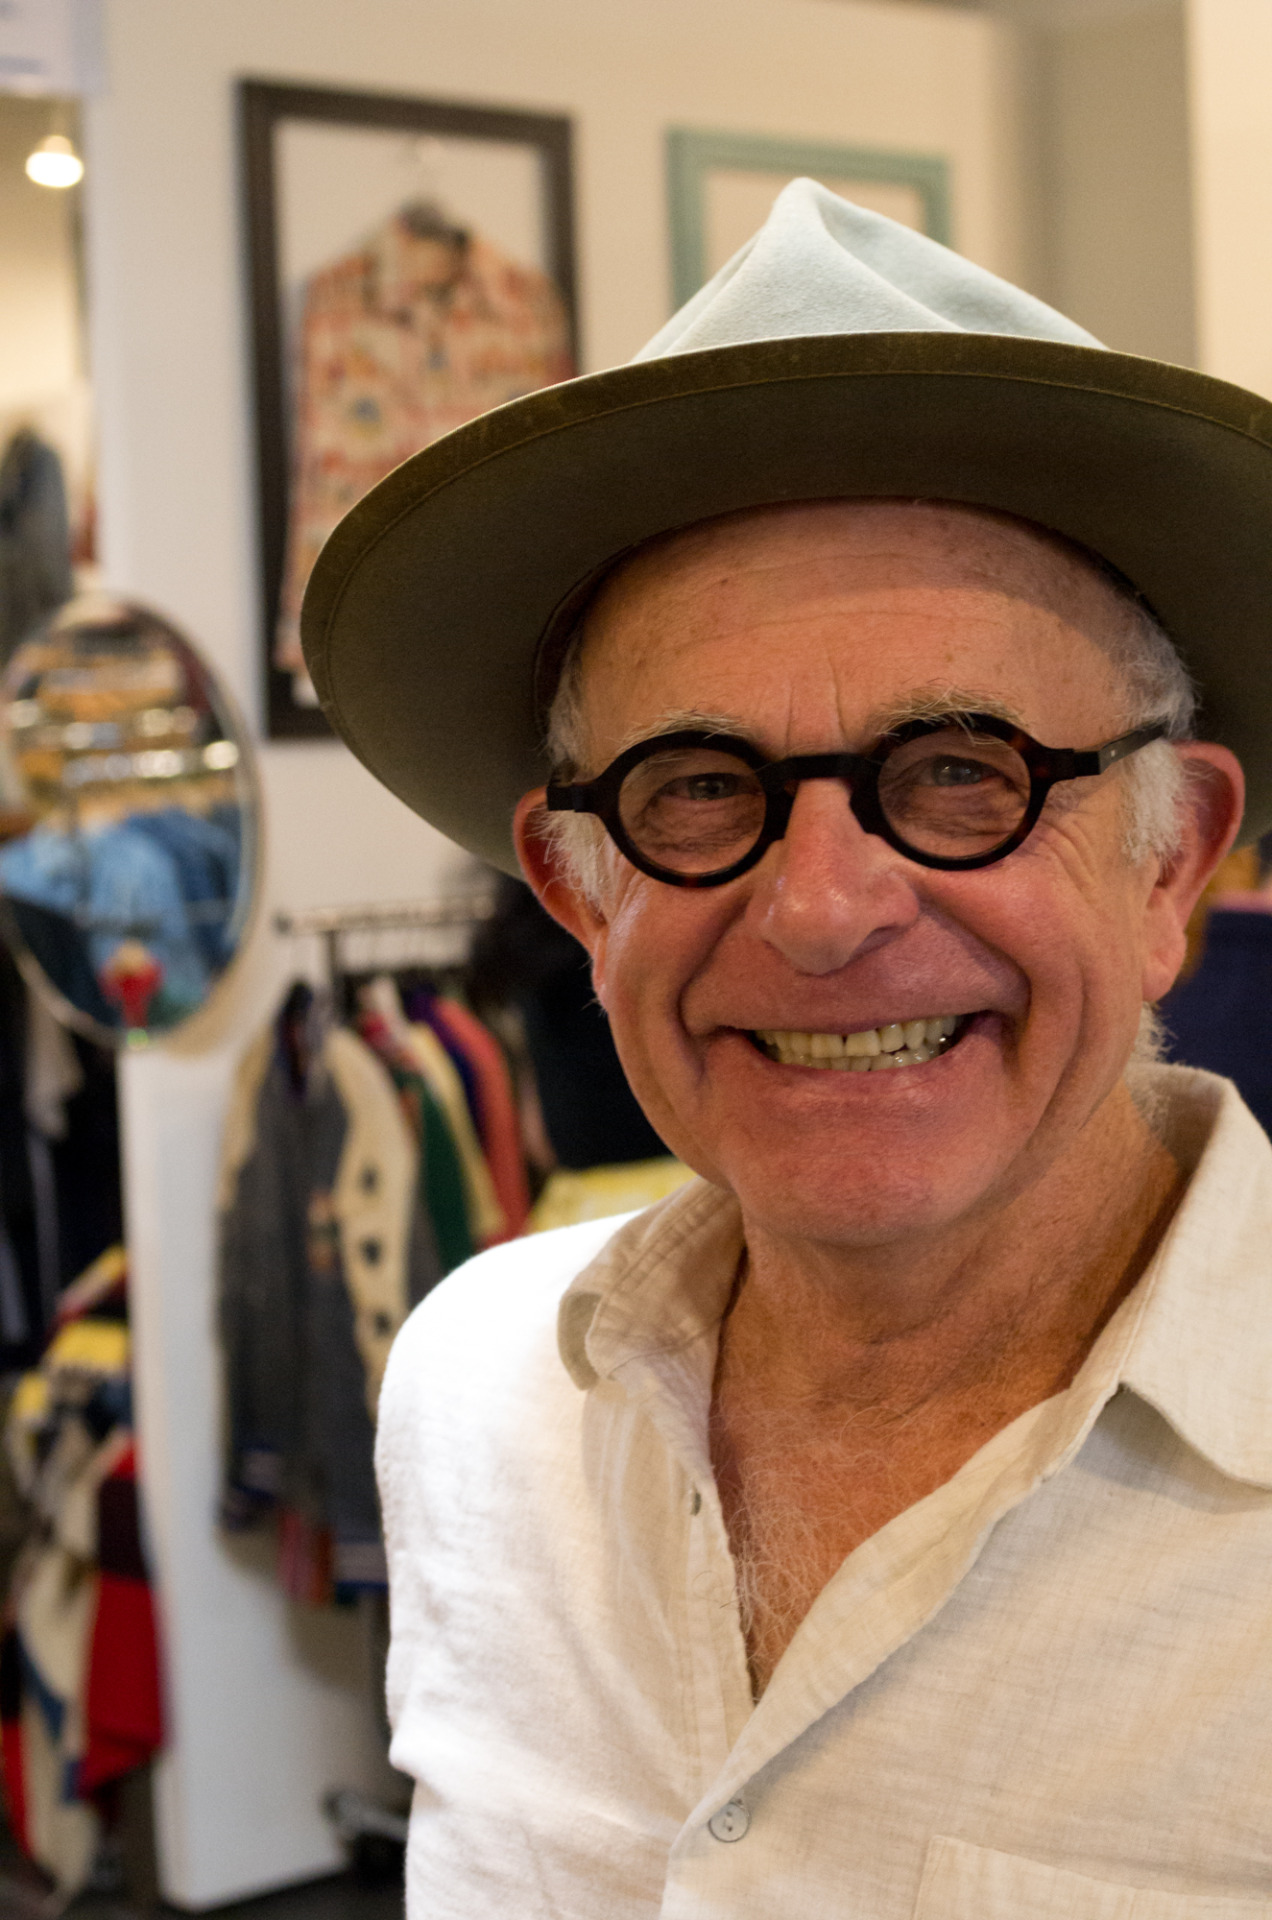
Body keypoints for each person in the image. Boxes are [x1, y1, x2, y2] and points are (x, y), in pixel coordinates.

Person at [301, 183, 1272, 1915]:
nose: (821, 910)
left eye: (962, 772)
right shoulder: (477, 1395)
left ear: (1169, 863)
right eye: (697, 790)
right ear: (580, 893)